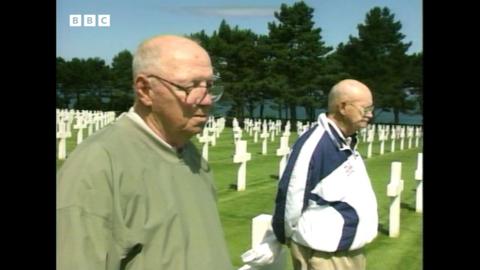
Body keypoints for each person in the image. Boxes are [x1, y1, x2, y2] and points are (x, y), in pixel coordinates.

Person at [56, 35, 233, 270]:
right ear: (145, 90)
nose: (208, 100)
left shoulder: (192, 157)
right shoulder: (97, 164)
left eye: (209, 86)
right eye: (191, 86)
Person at [271, 79, 378, 270]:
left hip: (347, 251)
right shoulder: (316, 145)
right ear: (343, 107)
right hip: (326, 257)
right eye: (365, 109)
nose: (370, 115)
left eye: (372, 109)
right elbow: (291, 198)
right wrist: (283, 236)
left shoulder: (344, 141)